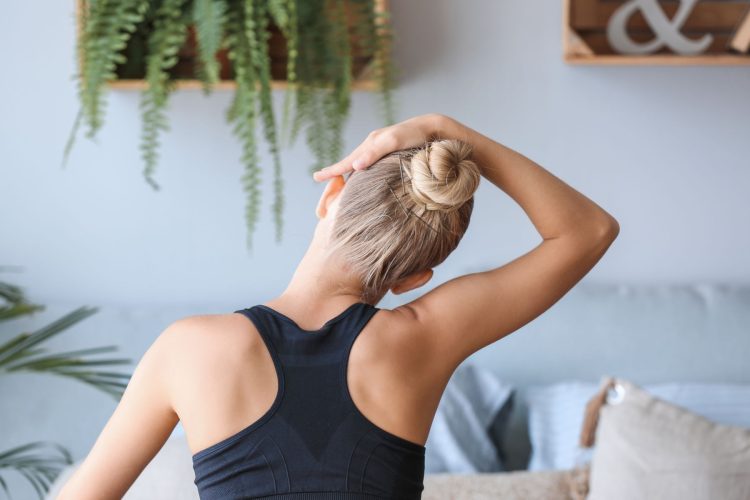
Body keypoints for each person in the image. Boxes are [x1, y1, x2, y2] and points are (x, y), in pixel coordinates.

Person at [57, 113, 619, 499]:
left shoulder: (189, 348)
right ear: (415, 277)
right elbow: (588, 231)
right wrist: (444, 128)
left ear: (330, 198)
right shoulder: (424, 338)